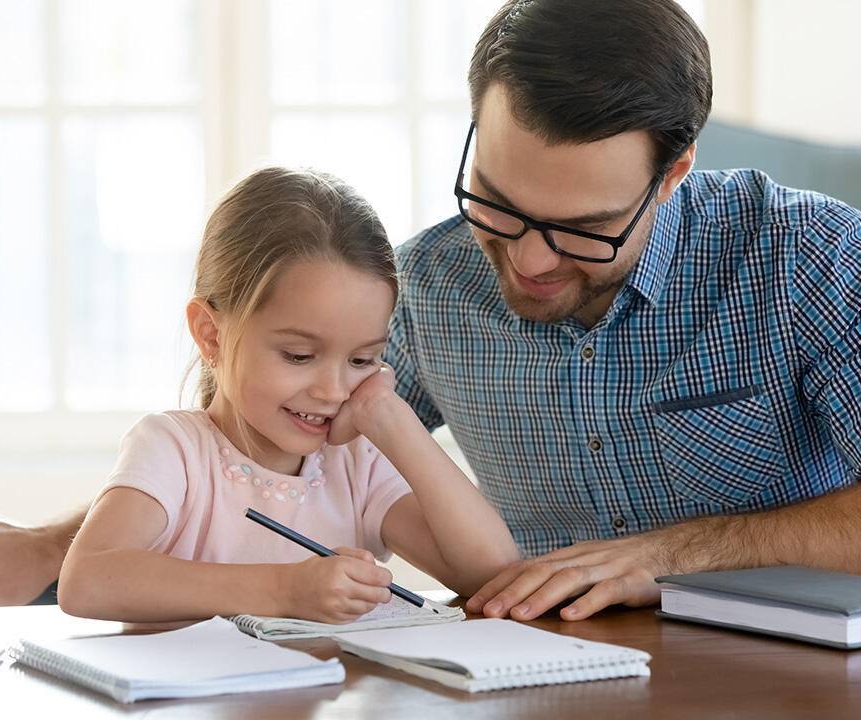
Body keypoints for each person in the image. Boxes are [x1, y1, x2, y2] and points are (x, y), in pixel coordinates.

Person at [0, 0, 861, 620]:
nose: (531, 263)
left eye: (584, 231)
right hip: (546, 681)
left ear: (673, 175)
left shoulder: (803, 256)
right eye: (499, 205)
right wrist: (56, 548)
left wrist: (664, 556)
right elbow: (274, 445)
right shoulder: (431, 282)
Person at [53, 166, 518, 623]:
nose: (333, 390)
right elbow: (87, 581)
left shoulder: (357, 463)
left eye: (362, 360)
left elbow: (495, 577)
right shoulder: (174, 450)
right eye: (298, 356)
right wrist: (284, 589)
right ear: (211, 334)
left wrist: (390, 416)